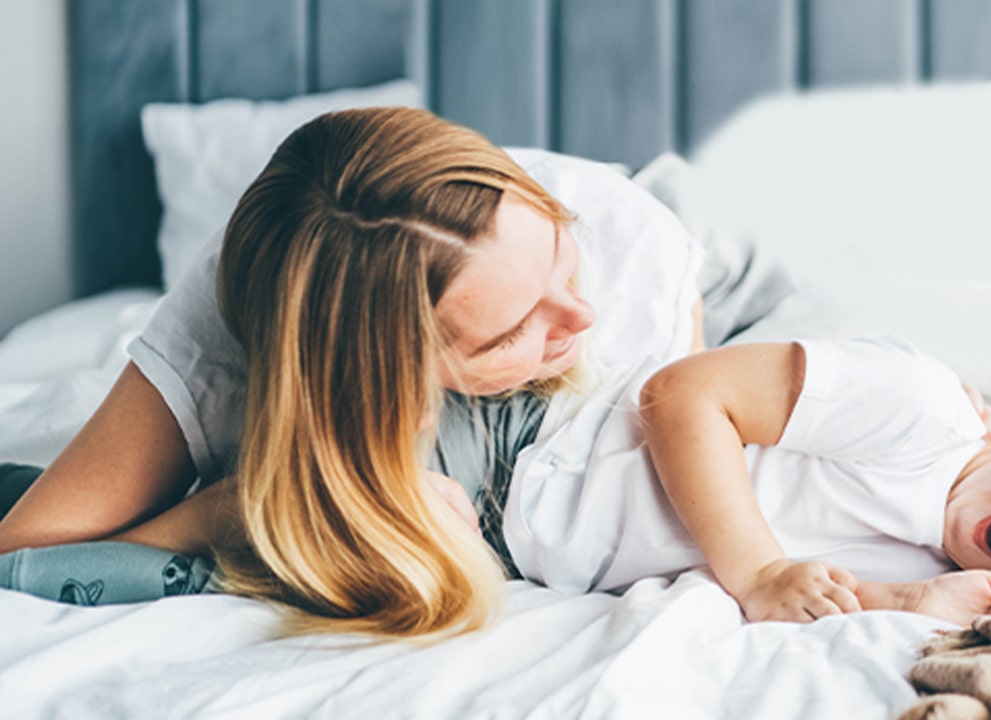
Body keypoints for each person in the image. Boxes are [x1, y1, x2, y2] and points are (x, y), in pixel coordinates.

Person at [0, 107, 707, 637]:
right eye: (511, 331)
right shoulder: (221, 331)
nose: (581, 315)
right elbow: (26, 552)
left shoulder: (633, 266)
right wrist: (235, 506)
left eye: (561, 253)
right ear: (385, 381)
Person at [503, 336, 991, 626]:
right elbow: (682, 394)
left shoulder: (945, 575)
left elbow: (803, 592)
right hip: (528, 450)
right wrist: (760, 571)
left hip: (515, 547)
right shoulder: (921, 411)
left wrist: (905, 602)